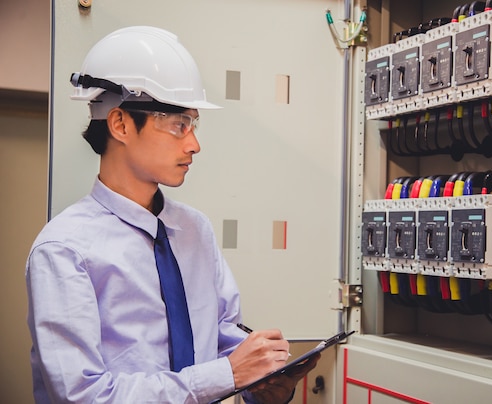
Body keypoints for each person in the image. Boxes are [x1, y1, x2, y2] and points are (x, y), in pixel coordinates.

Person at [26, 26, 318, 403]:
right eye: (179, 125)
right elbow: (83, 396)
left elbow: (220, 336)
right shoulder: (64, 250)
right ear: (120, 124)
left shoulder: (194, 229)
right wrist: (225, 375)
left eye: (193, 124)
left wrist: (262, 383)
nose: (194, 144)